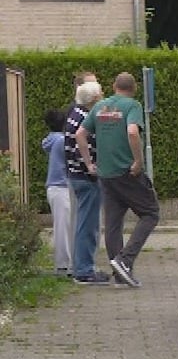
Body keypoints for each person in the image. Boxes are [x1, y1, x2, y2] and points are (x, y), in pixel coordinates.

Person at [75, 72, 160, 289]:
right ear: (134, 88)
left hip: (105, 174)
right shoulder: (132, 106)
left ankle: (120, 276)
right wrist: (138, 161)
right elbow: (132, 132)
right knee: (150, 213)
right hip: (127, 172)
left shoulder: (99, 106)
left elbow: (80, 133)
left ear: (114, 86)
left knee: (113, 224)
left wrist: (89, 164)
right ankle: (125, 260)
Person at [65, 80, 107, 285]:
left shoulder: (75, 114)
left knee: (84, 223)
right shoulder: (85, 118)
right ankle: (84, 270)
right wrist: (91, 166)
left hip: (75, 175)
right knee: (88, 225)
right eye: (101, 95)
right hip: (86, 178)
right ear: (94, 99)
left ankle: (82, 267)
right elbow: (83, 144)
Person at [42, 109, 72, 276]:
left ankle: (64, 264)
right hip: (61, 186)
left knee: (62, 226)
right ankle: (63, 265)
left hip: (54, 187)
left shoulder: (51, 140)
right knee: (63, 227)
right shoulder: (62, 141)